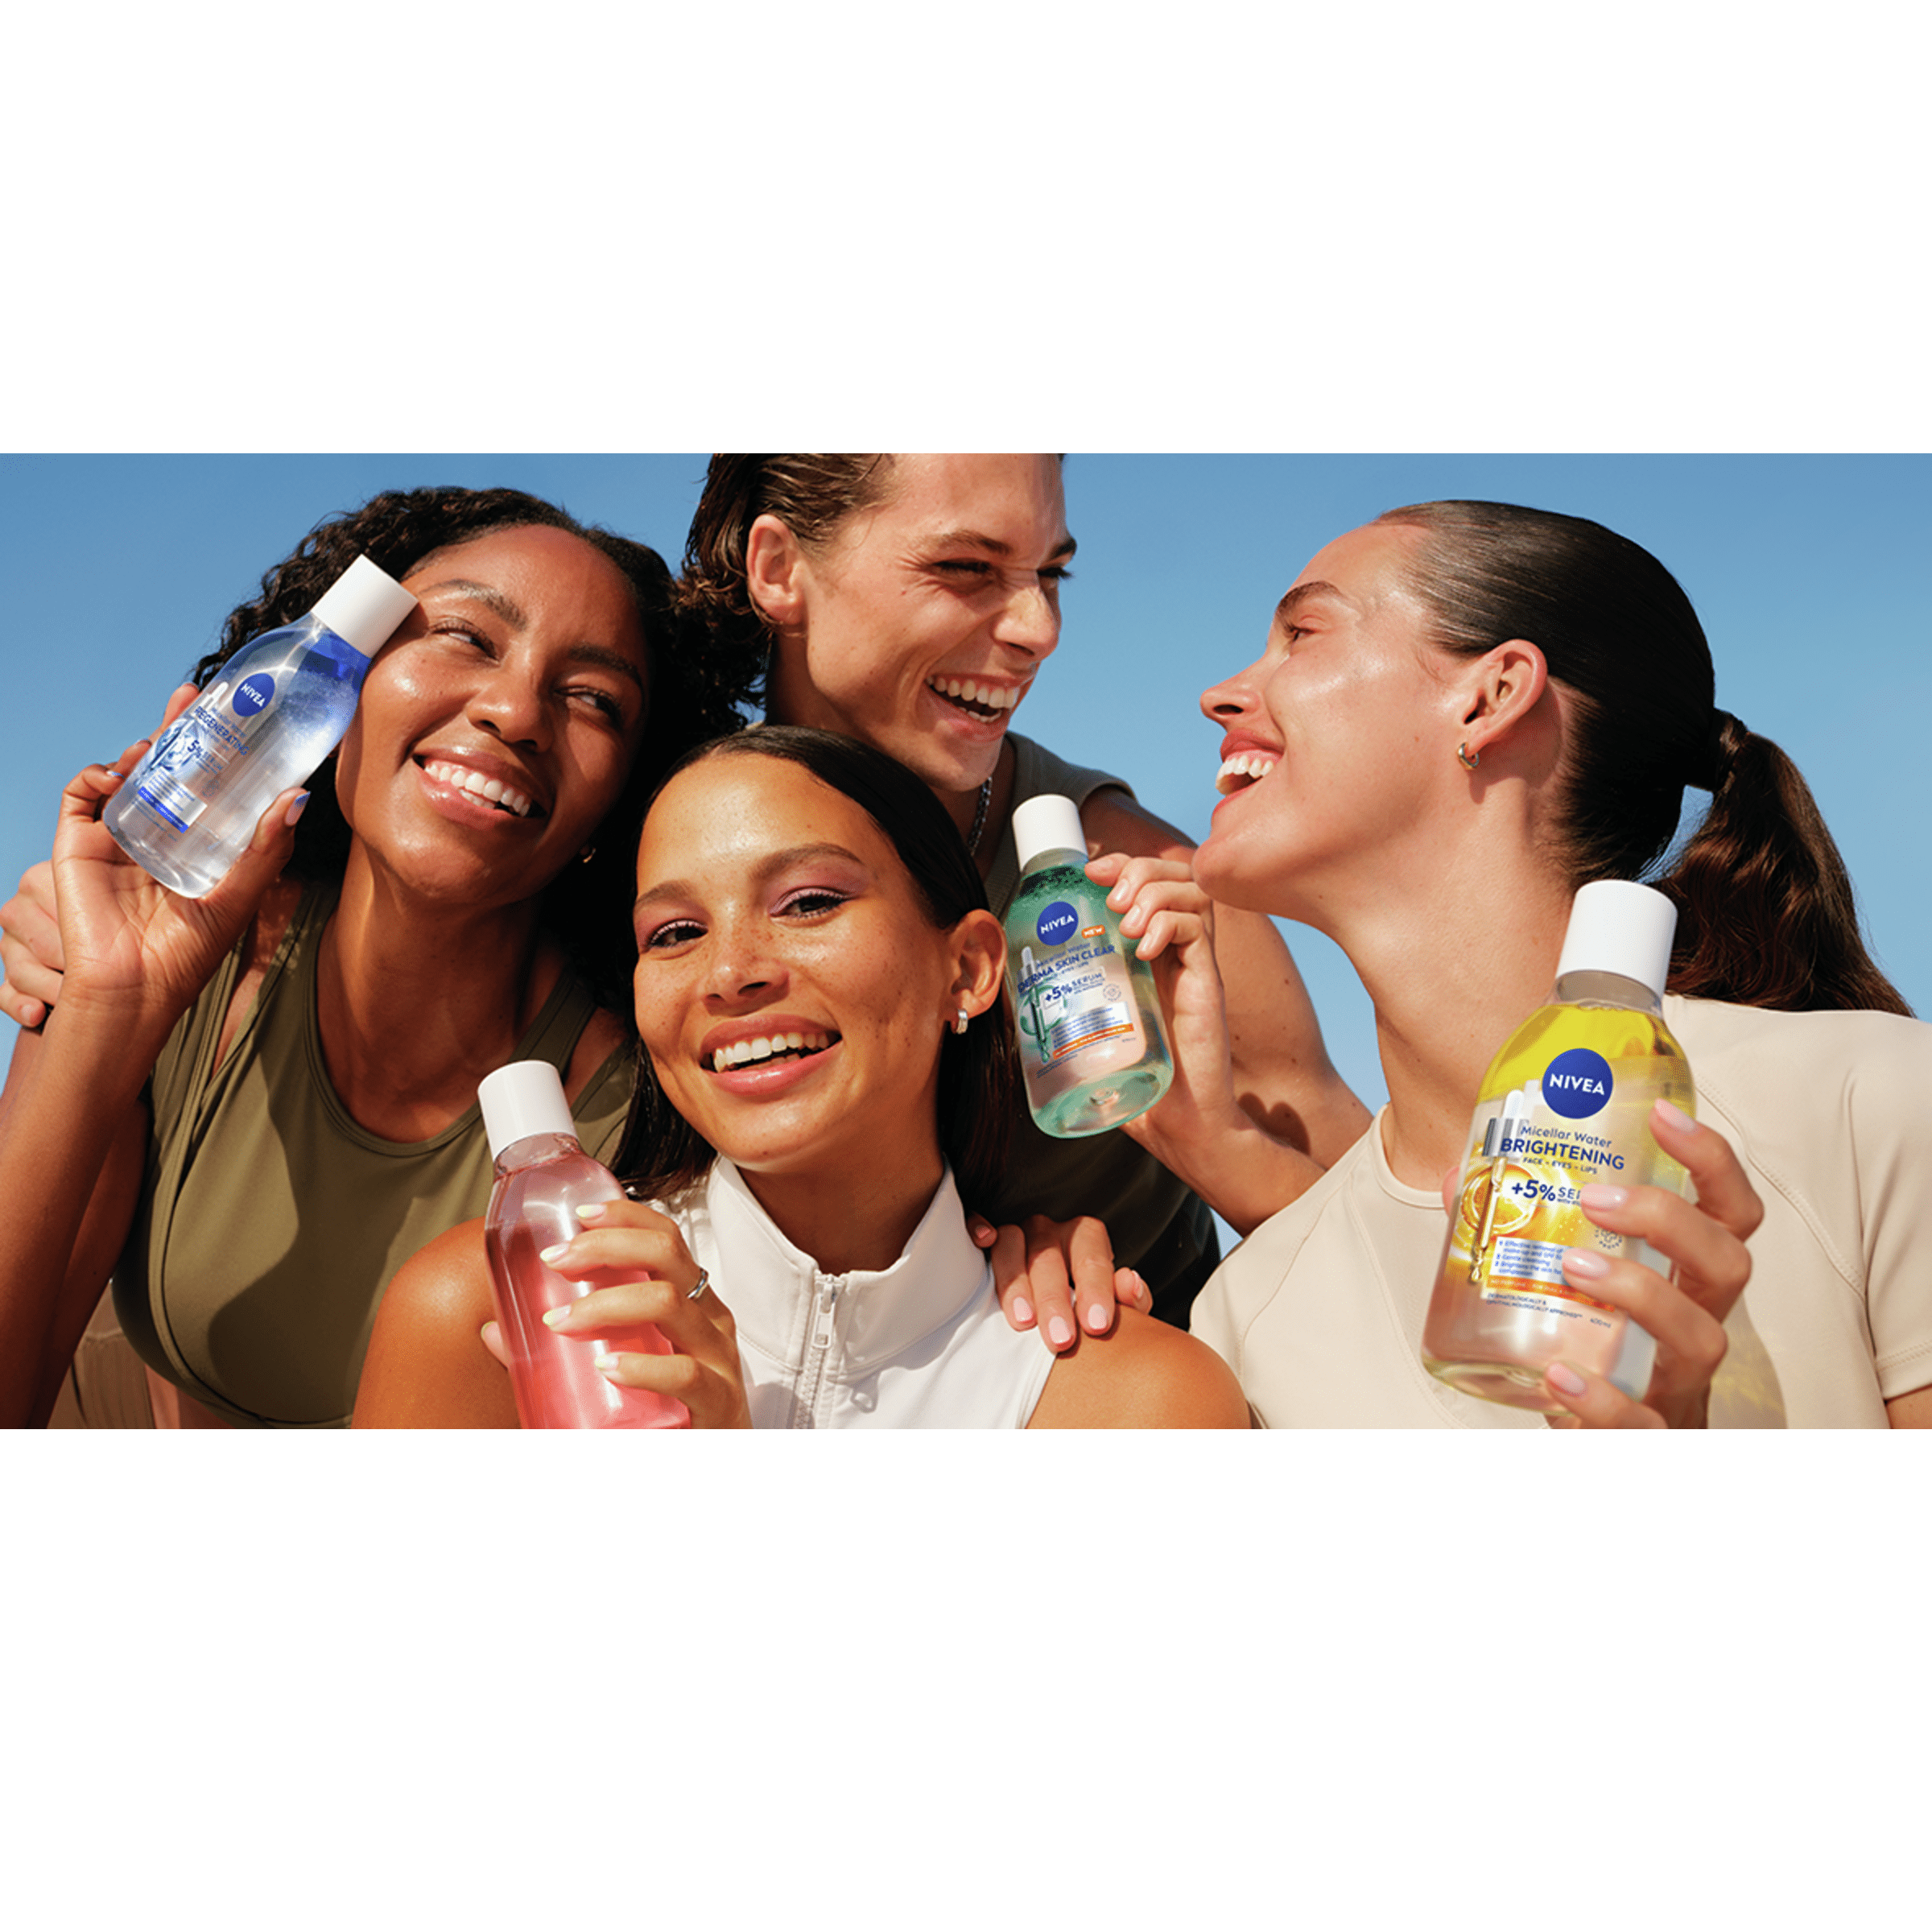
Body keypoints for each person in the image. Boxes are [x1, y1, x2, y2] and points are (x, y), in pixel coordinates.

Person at [1105, 499, 1930, 1427]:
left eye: (1302, 632)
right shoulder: (1246, 1318)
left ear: (1494, 695)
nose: (1220, 694)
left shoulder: (1873, 1105)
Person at [0, 487, 754, 1429]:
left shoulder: (633, 1110)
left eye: (594, 697)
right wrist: (107, 1010)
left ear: (621, 806)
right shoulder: (184, 966)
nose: (517, 711)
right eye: (467, 637)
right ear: (330, 681)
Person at [352, 727, 1250, 1428]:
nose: (730, 971)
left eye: (810, 902)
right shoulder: (498, 1314)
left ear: (972, 969)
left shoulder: (1136, 1398)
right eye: (672, 933)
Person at [676, 454, 1368, 1337]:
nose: (1039, 627)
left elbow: (1373, 1242)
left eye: (1050, 574)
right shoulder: (661, 844)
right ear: (780, 570)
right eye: (966, 568)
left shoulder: (1133, 882)